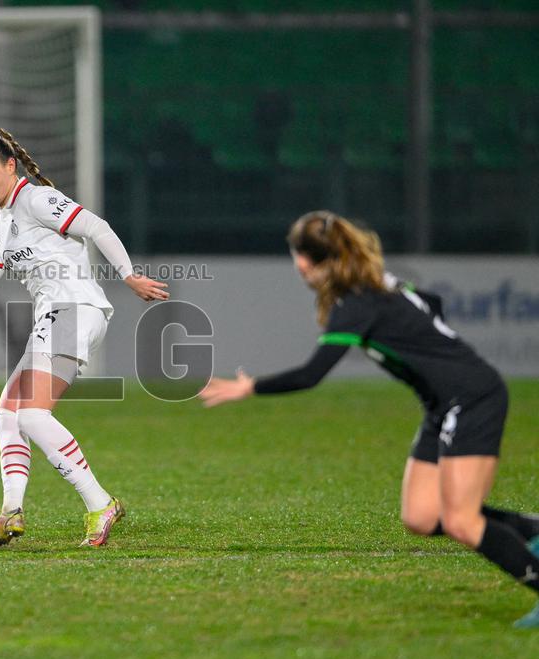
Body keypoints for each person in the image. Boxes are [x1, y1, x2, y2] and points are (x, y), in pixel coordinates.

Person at [198, 210, 539, 628]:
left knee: (462, 522)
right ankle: (531, 530)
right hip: (443, 403)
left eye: (298, 257)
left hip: (471, 399)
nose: (297, 266)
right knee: (422, 516)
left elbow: (311, 375)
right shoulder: (379, 286)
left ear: (306, 260)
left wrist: (249, 388)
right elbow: (433, 303)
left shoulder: (356, 305)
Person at [0, 129, 168, 546]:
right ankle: (10, 511)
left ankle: (100, 504)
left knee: (31, 414)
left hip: (75, 309)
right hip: (53, 317)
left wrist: (128, 275)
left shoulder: (37, 200)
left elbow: (97, 227)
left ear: (10, 166)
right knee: (6, 414)